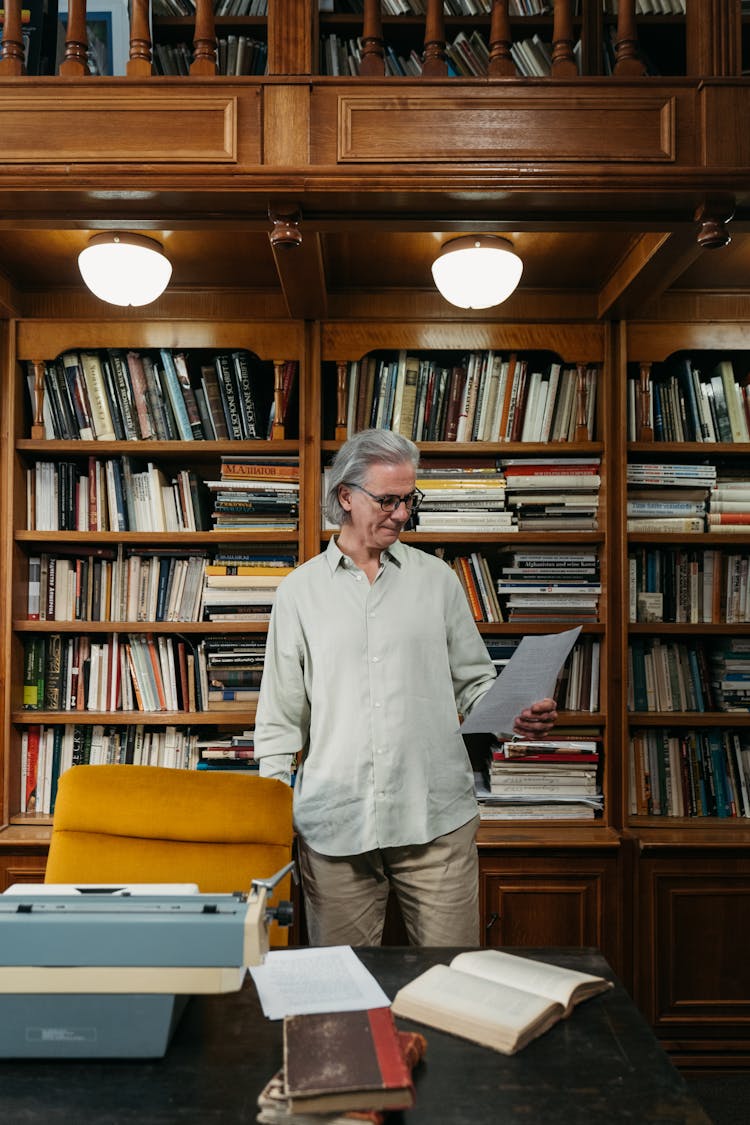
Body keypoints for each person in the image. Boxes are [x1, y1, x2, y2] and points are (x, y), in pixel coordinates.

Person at [254, 428, 557, 947]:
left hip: (435, 819)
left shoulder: (438, 580)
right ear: (346, 496)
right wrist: (271, 813)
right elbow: (281, 716)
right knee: (344, 996)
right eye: (387, 500)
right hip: (335, 826)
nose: (400, 514)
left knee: (451, 984)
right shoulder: (298, 593)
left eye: (408, 499)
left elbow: (474, 683)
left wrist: (512, 713)